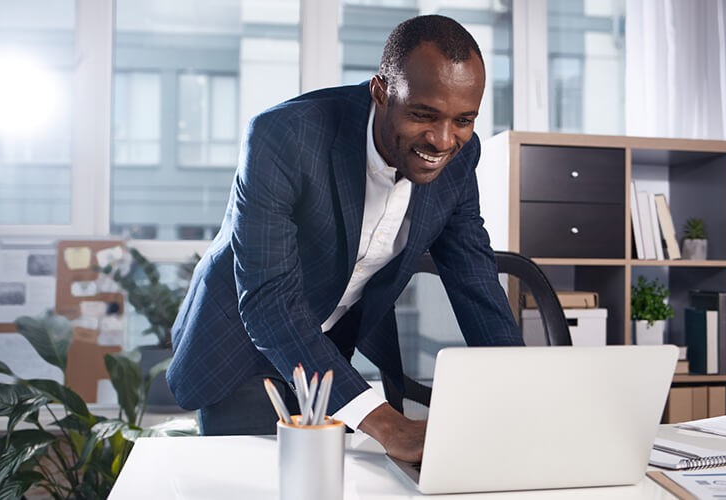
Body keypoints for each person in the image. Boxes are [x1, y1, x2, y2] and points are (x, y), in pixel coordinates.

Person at [166, 14, 522, 463]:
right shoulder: (285, 137)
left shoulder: (461, 155)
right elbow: (269, 301)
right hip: (242, 345)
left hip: (328, 350)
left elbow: (475, 279)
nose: (443, 139)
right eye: (422, 114)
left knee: (328, 479)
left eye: (464, 119)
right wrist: (389, 425)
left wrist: (521, 394)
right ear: (380, 91)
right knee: (257, 482)